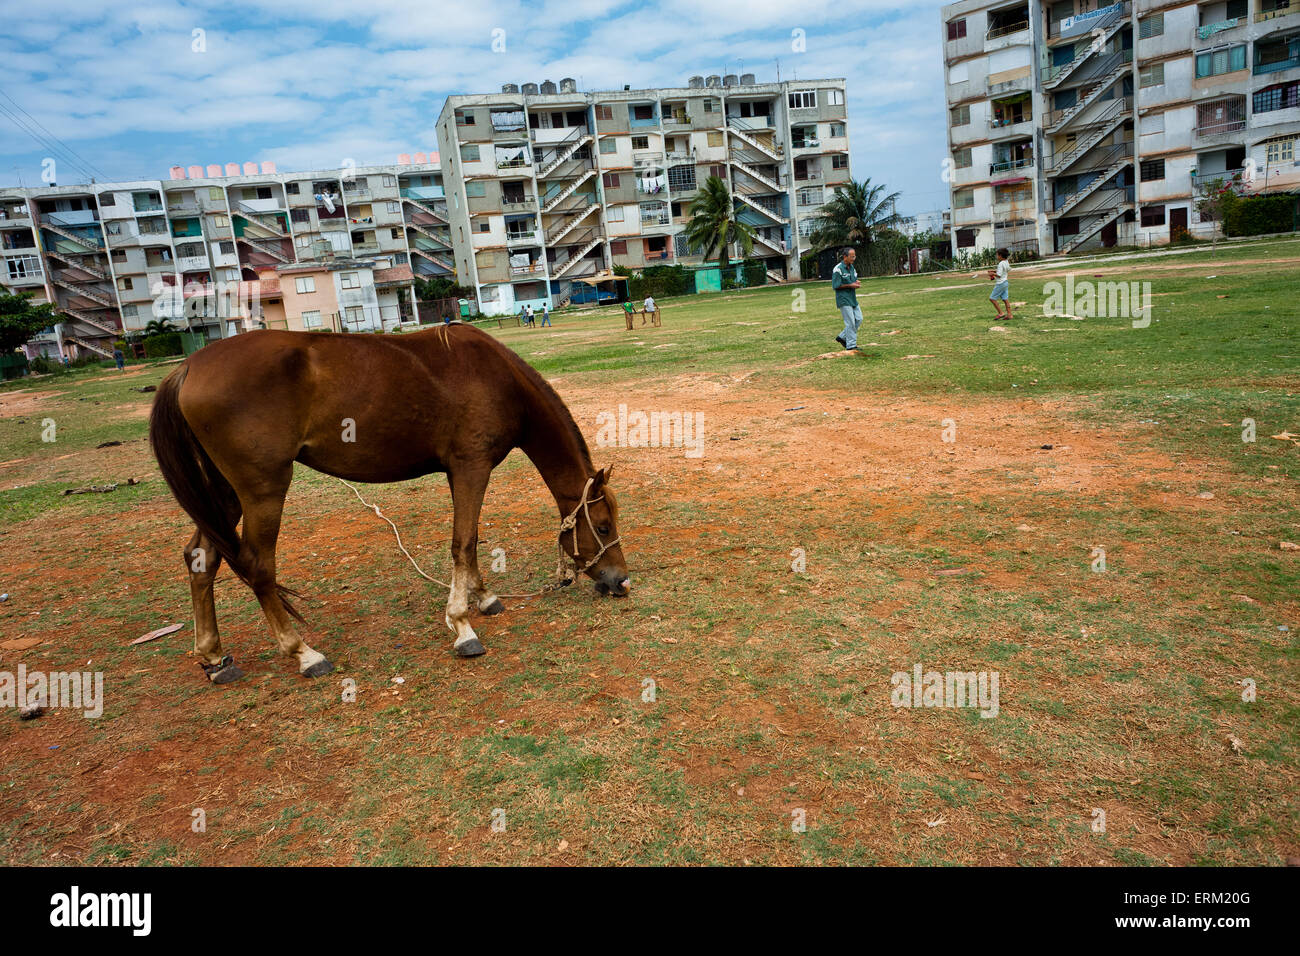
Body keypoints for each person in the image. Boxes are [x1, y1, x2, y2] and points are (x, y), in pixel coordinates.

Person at [831, 247, 862, 351]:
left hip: (852, 298)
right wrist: (851, 285)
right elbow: (836, 285)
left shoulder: (852, 268)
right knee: (850, 323)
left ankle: (842, 337)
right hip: (843, 299)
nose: (854, 258)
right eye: (852, 256)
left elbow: (853, 280)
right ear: (845, 257)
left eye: (855, 256)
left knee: (859, 319)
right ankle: (851, 345)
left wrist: (856, 283)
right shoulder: (838, 269)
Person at [988, 248, 1013, 320]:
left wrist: (992, 273)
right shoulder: (1006, 262)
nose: (996, 256)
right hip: (1005, 282)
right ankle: (1009, 315)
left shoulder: (1001, 263)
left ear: (1001, 256)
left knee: (992, 298)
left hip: (1000, 283)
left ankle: (1001, 313)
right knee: (1005, 299)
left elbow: (999, 275)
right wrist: (994, 271)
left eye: (997, 255)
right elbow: (1006, 270)